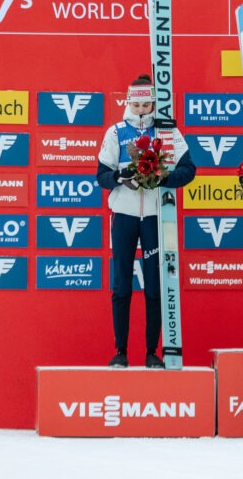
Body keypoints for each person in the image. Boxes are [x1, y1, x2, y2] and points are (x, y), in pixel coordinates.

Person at [96, 73, 196, 369]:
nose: (141, 110)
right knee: (121, 285)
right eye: (136, 105)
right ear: (128, 103)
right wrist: (119, 177)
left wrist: (163, 178)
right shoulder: (116, 132)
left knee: (154, 286)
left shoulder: (166, 131)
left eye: (146, 105)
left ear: (153, 104)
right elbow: (101, 175)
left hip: (155, 217)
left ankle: (153, 351)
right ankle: (120, 351)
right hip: (124, 217)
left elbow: (189, 170)